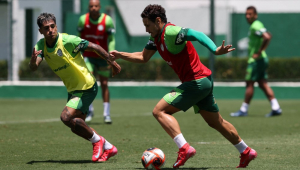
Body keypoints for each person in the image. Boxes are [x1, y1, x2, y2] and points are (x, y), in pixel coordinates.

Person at [110, 4, 257, 169]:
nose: (146, 30)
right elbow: (143, 57)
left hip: (197, 82)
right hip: (204, 81)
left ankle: (184, 148)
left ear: (158, 21)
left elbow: (197, 34)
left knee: (159, 111)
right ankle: (246, 151)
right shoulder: (155, 37)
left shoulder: (171, 32)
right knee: (216, 122)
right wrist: (120, 55)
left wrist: (215, 50)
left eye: (148, 25)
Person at [29, 13, 120, 162]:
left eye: (53, 26)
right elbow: (34, 67)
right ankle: (109, 147)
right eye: (46, 28)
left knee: (66, 117)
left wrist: (112, 63)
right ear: (40, 31)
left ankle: (97, 142)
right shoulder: (40, 46)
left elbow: (95, 47)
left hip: (86, 86)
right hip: (73, 90)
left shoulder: (67, 40)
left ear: (56, 26)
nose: (50, 30)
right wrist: (33, 61)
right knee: (76, 125)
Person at [230, 6, 282, 117]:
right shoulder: (256, 25)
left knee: (249, 83)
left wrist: (258, 52)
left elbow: (267, 37)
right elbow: (268, 35)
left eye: (250, 14)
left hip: (256, 60)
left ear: (255, 15)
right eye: (246, 14)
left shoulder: (255, 25)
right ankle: (276, 107)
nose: (247, 16)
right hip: (262, 59)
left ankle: (244, 110)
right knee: (263, 84)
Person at [77, 0, 115, 123]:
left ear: (100, 7)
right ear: (88, 7)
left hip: (103, 58)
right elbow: (78, 39)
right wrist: (79, 54)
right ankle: (90, 110)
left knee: (104, 84)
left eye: (96, 6)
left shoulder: (107, 20)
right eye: (91, 6)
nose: (93, 8)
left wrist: (110, 55)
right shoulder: (83, 20)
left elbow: (111, 39)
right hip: (88, 56)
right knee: (90, 81)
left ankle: (106, 114)